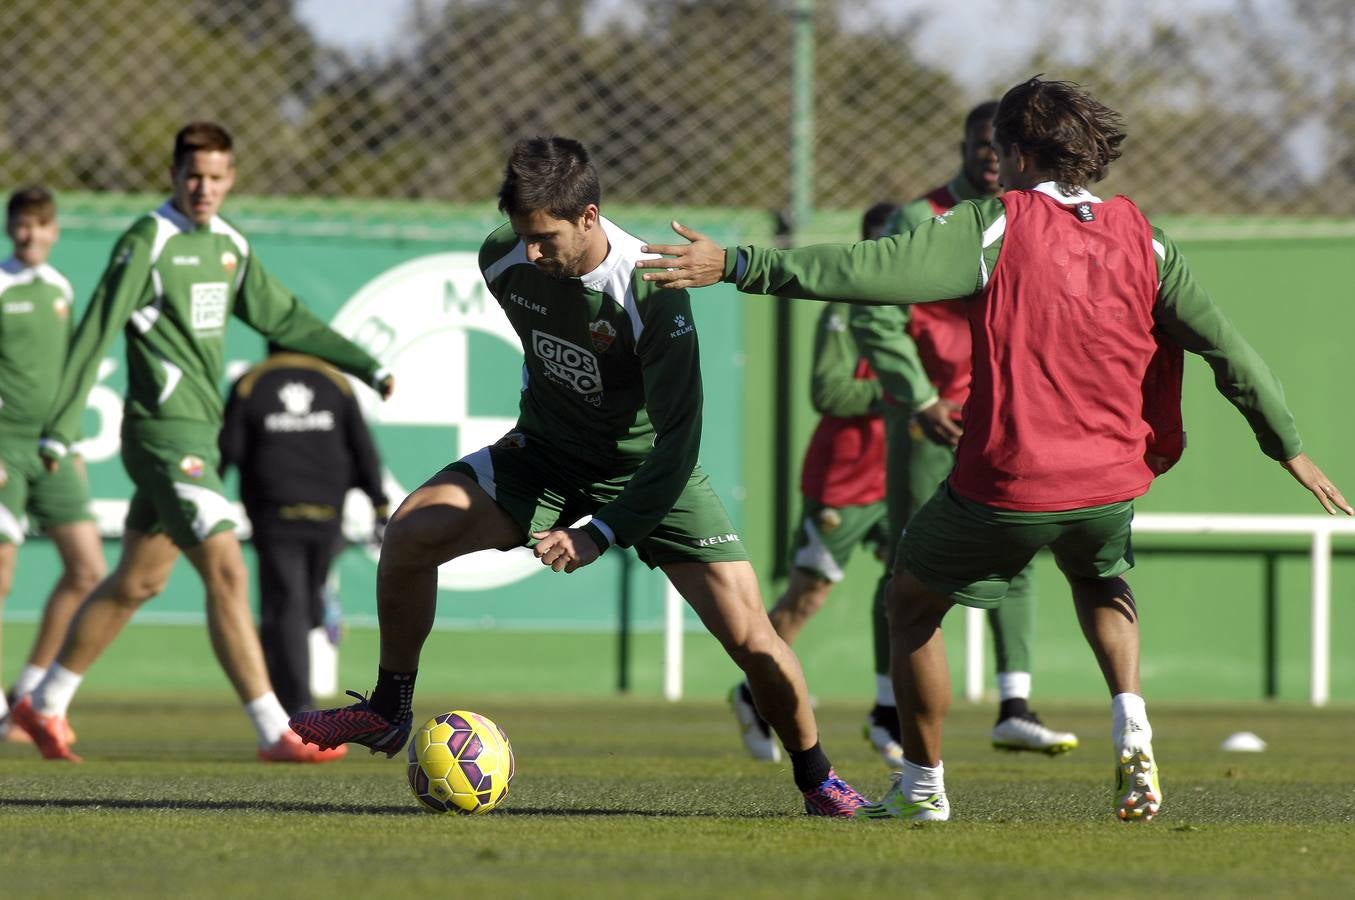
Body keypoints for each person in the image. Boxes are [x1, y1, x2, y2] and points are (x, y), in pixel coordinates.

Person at [636, 76, 1351, 823]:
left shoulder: (996, 223)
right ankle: (1131, 723)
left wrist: (740, 266)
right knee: (1099, 575)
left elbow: (869, 272)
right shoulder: (1144, 234)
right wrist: (1286, 447)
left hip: (1007, 483)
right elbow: (1228, 351)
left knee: (909, 604)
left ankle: (920, 789)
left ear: (1013, 153)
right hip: (1110, 484)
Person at [291, 136, 870, 816]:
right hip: (545, 455)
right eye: (523, 237)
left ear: (589, 217)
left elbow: (679, 443)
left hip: (650, 472)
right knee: (412, 530)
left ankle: (818, 780)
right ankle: (389, 708)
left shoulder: (650, 292)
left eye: (546, 238)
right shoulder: (500, 258)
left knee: (752, 640)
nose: (532, 254)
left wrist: (603, 529)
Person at [10, 122, 394, 764]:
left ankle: (44, 703)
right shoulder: (148, 240)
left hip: (198, 438)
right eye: (193, 176)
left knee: (137, 581)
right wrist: (58, 427)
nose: (204, 188)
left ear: (232, 178)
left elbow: (285, 318)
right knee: (226, 567)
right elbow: (96, 330)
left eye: (216, 177)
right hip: (162, 437)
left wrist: (363, 364)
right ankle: (278, 730)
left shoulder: (228, 246)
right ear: (173, 175)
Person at [850, 101, 1078, 757]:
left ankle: (1013, 705)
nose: (989, 154)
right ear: (965, 145)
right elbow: (877, 316)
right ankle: (887, 710)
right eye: (980, 142)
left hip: (1008, 415)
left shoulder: (1029, 222)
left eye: (999, 145)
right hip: (933, 421)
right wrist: (919, 398)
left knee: (1020, 545)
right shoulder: (918, 218)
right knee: (910, 563)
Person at [728, 202, 901, 766]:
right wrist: (906, 392)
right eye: (881, 238)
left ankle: (888, 708)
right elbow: (829, 392)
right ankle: (753, 688)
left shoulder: (923, 299)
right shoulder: (847, 308)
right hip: (844, 478)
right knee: (808, 597)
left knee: (910, 587)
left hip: (898, 472)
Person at [220, 346, 389, 716]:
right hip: (327, 513)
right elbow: (363, 449)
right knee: (293, 602)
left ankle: (296, 705)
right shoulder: (334, 383)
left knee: (285, 607)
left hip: (274, 509)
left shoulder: (252, 382)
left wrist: (210, 491)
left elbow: (228, 448)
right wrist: (378, 503)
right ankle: (296, 690)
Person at [0, 187, 106, 744]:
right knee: (1, 577)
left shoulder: (61, 288)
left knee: (88, 569)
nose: (31, 234)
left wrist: (69, 441)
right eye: (21, 224)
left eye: (40, 225)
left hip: (54, 449)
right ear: (9, 228)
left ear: (55, 230)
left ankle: (29, 695)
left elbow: (67, 374)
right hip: (4, 449)